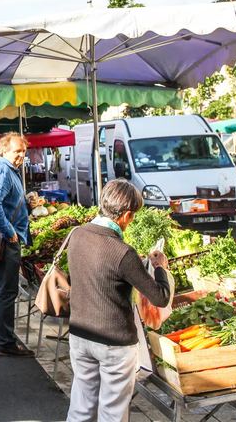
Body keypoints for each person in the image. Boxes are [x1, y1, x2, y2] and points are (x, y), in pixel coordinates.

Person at [66, 179, 171, 422]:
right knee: (112, 413)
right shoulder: (123, 252)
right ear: (125, 215)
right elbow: (160, 297)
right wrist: (159, 267)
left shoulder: (77, 235)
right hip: (114, 342)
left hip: (80, 334)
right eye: (133, 216)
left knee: (81, 406)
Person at [0, 132, 34, 357]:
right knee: (7, 291)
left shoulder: (10, 170)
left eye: (23, 151)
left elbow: (4, 203)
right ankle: (5, 342)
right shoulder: (4, 170)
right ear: (4, 150)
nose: (21, 155)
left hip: (7, 238)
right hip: (6, 240)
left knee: (0, 289)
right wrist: (10, 231)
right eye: (17, 151)